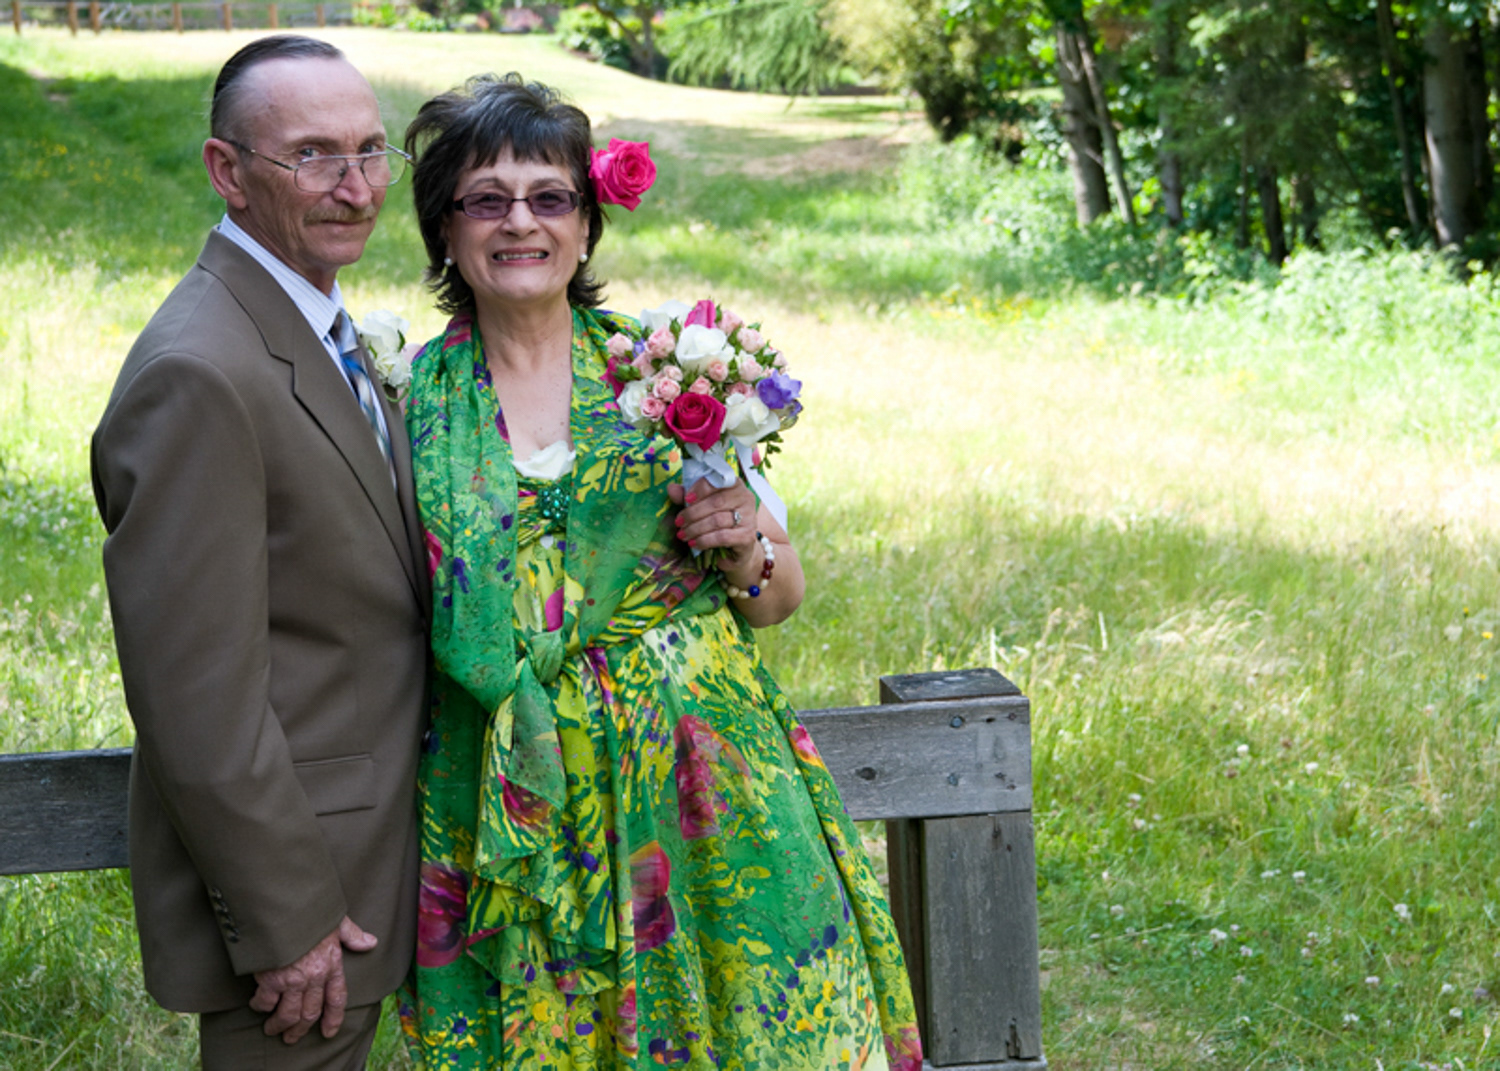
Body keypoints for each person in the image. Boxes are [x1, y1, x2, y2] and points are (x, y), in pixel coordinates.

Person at [398, 73, 923, 1070]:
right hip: (511, 793)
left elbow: (778, 599)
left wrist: (744, 546)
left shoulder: (668, 373)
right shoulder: (409, 402)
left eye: (549, 197)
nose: (521, 223)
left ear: (588, 228)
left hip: (703, 778)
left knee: (747, 1032)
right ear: (446, 231)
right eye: (486, 199)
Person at [91, 36, 430, 1068]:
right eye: (315, 156)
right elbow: (196, 696)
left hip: (371, 862)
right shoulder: (200, 371)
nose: (357, 187)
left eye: (373, 152)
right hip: (305, 914)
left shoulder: (311, 326)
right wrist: (286, 922)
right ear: (226, 172)